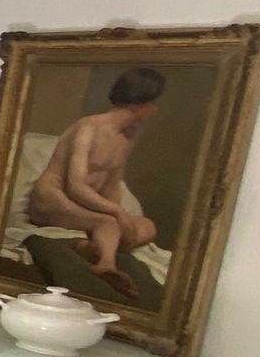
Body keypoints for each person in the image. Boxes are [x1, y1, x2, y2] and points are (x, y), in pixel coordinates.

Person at [24, 66, 165, 299]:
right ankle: (106, 265)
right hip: (54, 199)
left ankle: (87, 247)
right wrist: (116, 212)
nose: (155, 109)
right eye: (153, 103)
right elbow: (75, 186)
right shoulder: (88, 128)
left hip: (87, 205)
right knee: (107, 223)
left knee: (147, 227)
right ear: (138, 103)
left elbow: (112, 183)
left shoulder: (129, 135)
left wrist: (120, 215)